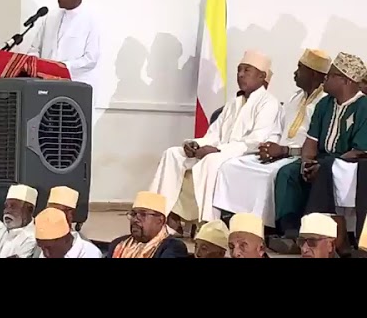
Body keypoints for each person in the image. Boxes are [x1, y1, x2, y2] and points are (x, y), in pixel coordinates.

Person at [150, 50, 281, 232]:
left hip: (246, 155)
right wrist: (196, 144)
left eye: (247, 71)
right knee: (173, 153)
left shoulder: (269, 103)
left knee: (211, 161)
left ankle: (208, 224)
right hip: (221, 150)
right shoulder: (234, 102)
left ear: (261, 76)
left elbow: (256, 140)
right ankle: (161, 214)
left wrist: (218, 150)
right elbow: (214, 133)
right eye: (239, 70)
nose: (240, 75)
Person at [213, 49, 330, 227]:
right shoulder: (295, 98)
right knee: (233, 166)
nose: (295, 73)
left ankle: (266, 226)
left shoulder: (325, 102)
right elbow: (279, 130)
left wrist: (285, 150)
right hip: (280, 153)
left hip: (300, 156)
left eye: (300, 68)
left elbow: (319, 145)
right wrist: (270, 147)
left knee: (268, 175)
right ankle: (237, 219)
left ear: (313, 74)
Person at [270, 52, 367, 254]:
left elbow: (358, 151)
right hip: (322, 160)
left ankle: (329, 239)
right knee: (288, 173)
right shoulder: (324, 104)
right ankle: (290, 232)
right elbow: (311, 142)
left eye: (330, 75)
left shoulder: (364, 106)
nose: (325, 78)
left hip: (350, 164)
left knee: (326, 170)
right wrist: (306, 162)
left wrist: (323, 165)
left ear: (345, 81)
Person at [27, 0, 101, 91]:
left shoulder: (90, 20)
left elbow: (90, 59)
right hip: (45, 84)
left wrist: (63, 67)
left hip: (75, 85)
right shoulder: (50, 17)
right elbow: (34, 49)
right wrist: (36, 66)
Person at [107, 191, 188, 258]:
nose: (135, 219)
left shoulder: (173, 247)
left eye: (143, 214)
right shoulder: (118, 244)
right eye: (133, 214)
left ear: (160, 220)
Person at [0, 184, 38, 258]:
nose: (7, 211)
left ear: (29, 210)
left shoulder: (33, 238)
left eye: (13, 206)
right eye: (6, 206)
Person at [34, 207, 102, 258]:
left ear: (65, 239)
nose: (46, 254)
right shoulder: (47, 253)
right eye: (42, 248)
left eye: (49, 248)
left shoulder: (89, 253)